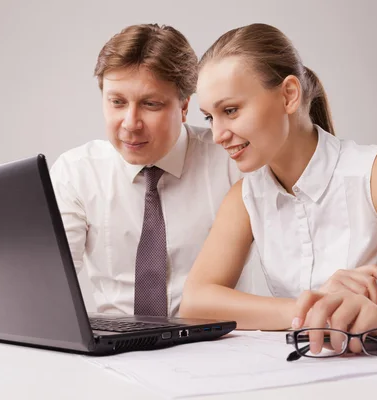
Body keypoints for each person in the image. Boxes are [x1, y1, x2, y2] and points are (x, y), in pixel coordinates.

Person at [180, 23, 377, 352]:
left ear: (289, 95)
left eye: (230, 110)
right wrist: (311, 310)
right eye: (209, 117)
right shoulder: (246, 197)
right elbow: (196, 302)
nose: (218, 134)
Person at [50, 24, 257, 317]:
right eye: (117, 102)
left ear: (184, 106)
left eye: (150, 104)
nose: (130, 123)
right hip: (119, 351)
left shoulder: (230, 160)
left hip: (216, 346)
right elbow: (51, 283)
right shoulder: (77, 172)